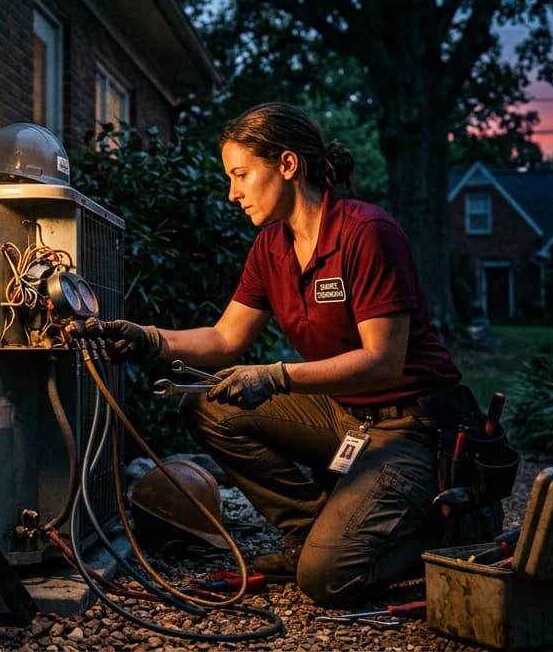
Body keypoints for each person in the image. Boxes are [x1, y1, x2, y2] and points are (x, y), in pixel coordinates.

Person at [104, 102, 479, 609]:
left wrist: (277, 376)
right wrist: (150, 337)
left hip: (413, 426)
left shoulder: (366, 233)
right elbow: (225, 339)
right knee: (209, 406)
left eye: (240, 175)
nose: (232, 192)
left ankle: (443, 529)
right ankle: (310, 532)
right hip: (348, 416)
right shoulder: (270, 247)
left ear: (287, 164)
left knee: (327, 580)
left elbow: (383, 361)